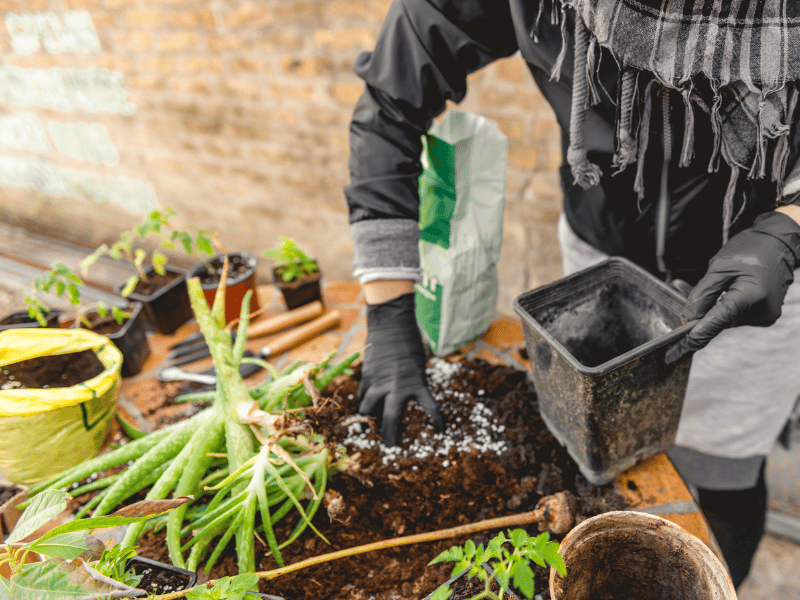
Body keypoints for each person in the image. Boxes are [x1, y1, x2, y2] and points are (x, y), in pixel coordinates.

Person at [344, 0, 800, 589]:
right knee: (598, 453)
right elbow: (392, 94)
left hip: (747, 275)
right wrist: (387, 310)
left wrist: (789, 228)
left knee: (725, 467)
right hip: (599, 260)